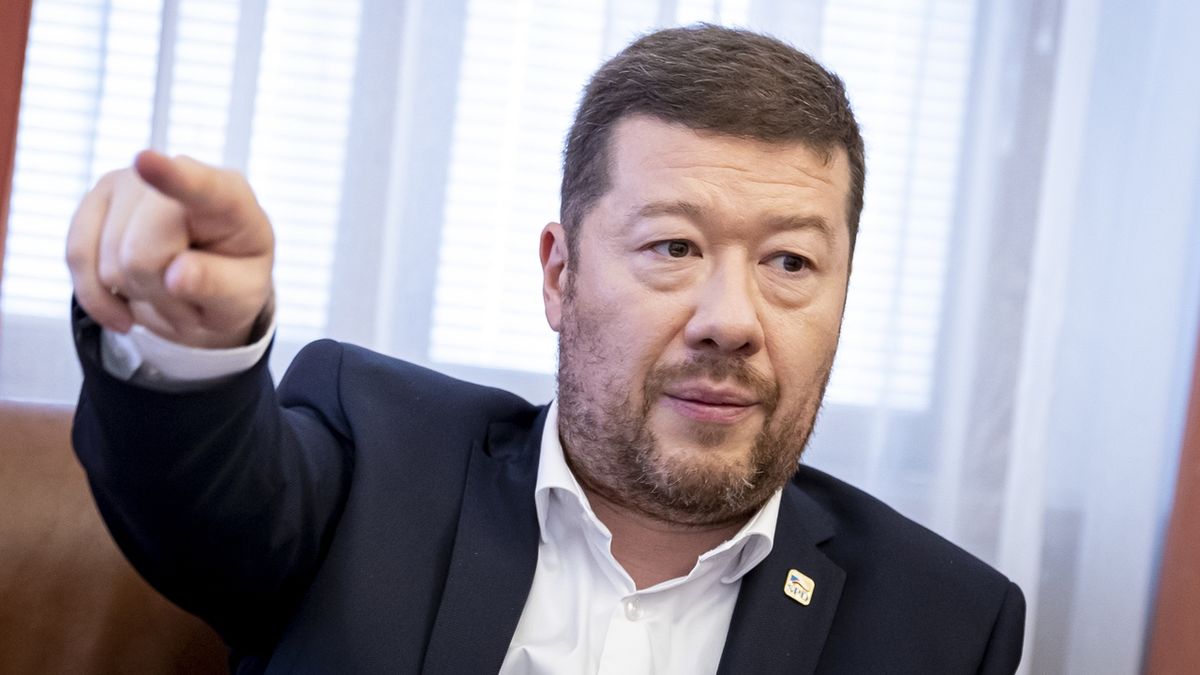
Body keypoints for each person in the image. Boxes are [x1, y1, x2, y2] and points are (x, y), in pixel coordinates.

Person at [66, 24, 1025, 674]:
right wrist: (189, 342)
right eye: (674, 247)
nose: (731, 320)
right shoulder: (376, 464)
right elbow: (201, 507)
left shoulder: (944, 624)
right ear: (560, 274)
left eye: (790, 261)